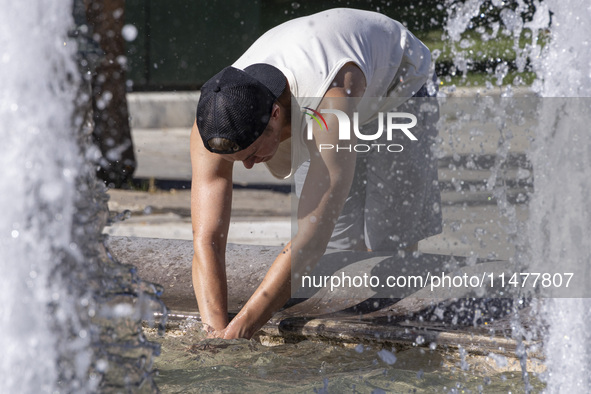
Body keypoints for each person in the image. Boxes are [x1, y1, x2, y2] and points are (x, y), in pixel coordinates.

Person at [190, 8, 442, 339]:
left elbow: (309, 242)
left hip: (399, 87)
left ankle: (404, 349)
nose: (250, 167)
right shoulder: (215, 117)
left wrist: (242, 330)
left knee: (390, 242)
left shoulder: (327, 104)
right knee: (339, 247)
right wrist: (215, 330)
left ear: (276, 115)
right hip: (325, 89)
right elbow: (205, 240)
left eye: (251, 155)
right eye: (239, 160)